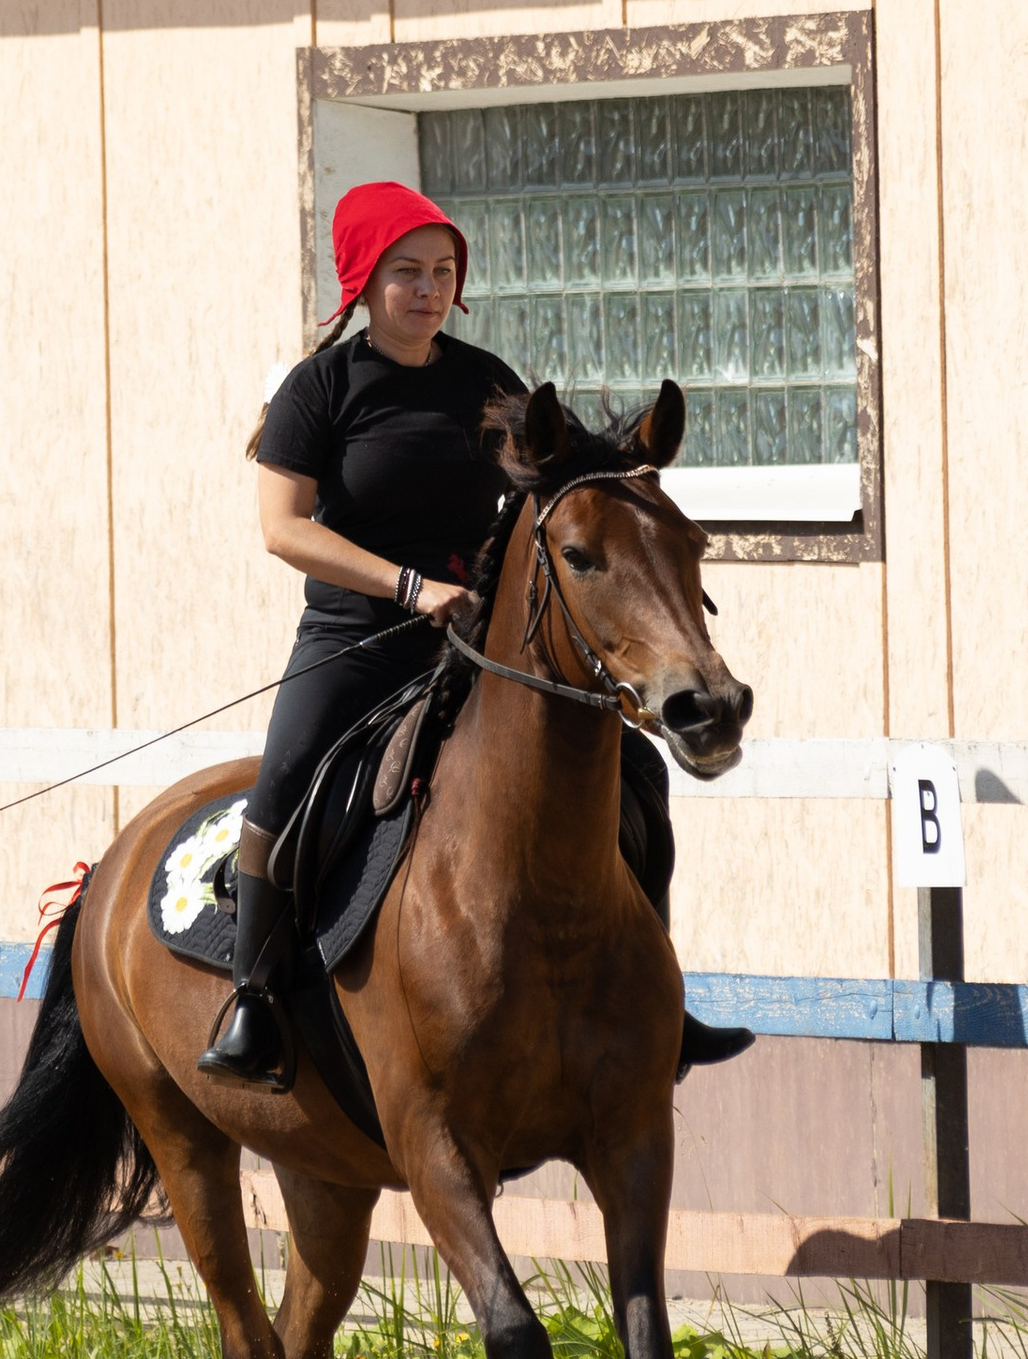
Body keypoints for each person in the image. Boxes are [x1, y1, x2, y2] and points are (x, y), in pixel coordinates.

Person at [201, 177, 734, 1092]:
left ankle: (655, 996)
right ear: (362, 280)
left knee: (637, 772)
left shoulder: (487, 381)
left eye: (444, 272)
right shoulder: (319, 389)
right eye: (407, 272)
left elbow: (563, 482)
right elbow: (282, 530)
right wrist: (410, 588)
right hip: (355, 637)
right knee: (286, 783)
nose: (429, 290)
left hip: (476, 638)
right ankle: (255, 1002)